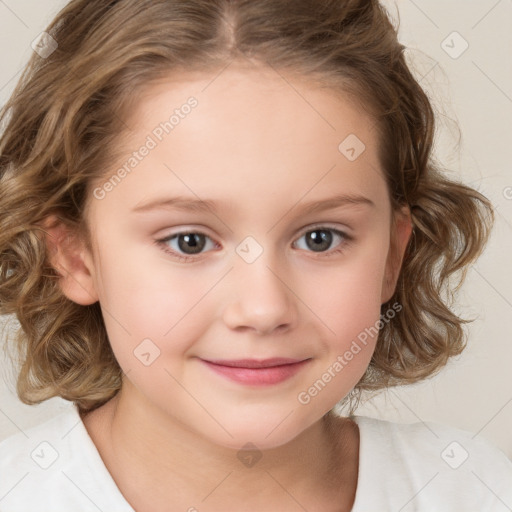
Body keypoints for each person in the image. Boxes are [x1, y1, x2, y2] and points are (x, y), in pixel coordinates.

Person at [0, 0, 510, 510]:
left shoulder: (475, 489)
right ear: (76, 256)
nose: (264, 309)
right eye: (189, 241)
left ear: (392, 257)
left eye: (320, 238)